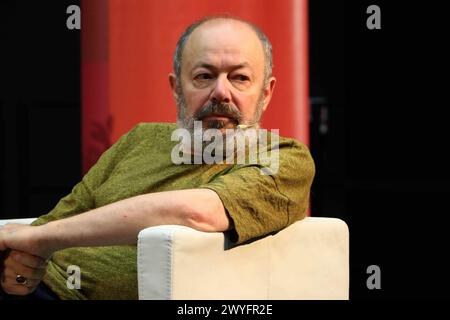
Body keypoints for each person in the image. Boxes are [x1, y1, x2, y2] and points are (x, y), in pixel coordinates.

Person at [0, 16, 315, 300]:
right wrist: (22, 270)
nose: (221, 92)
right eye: (204, 76)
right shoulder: (141, 138)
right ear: (176, 88)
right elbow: (56, 223)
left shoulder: (284, 159)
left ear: (267, 92)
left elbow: (197, 213)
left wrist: (38, 239)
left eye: (240, 78)